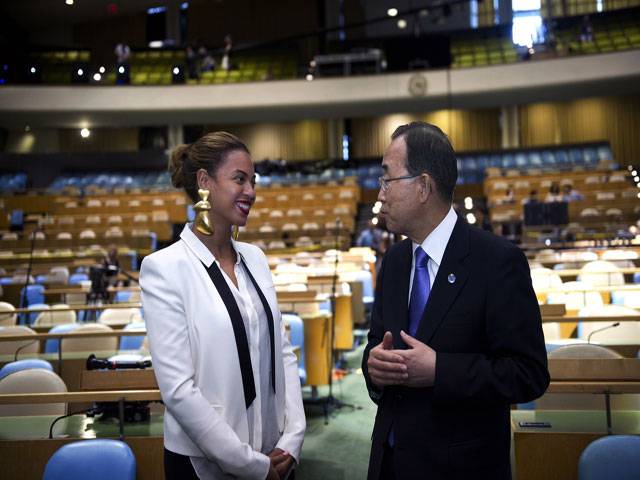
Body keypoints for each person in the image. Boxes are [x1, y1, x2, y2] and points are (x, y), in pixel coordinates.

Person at [362, 122, 549, 480]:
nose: (380, 194)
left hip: (461, 468)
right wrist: (375, 368)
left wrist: (439, 371)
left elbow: (528, 374)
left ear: (423, 187)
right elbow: (376, 345)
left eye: (387, 180)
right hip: (390, 464)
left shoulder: (497, 262)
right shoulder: (395, 262)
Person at [140, 132, 305, 479]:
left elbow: (283, 353)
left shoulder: (256, 259)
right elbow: (178, 391)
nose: (251, 192)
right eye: (239, 179)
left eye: (253, 181)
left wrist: (292, 439)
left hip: (273, 451)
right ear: (205, 182)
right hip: (204, 465)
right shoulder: (164, 268)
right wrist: (249, 465)